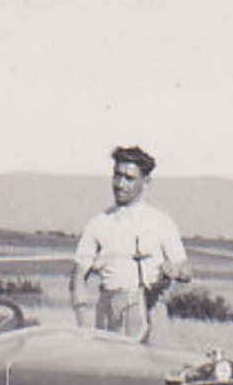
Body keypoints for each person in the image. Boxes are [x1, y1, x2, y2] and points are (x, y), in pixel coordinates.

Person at [70, 145, 191, 342]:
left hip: (153, 309)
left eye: (129, 178)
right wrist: (83, 328)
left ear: (146, 181)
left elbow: (185, 268)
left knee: (157, 369)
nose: (120, 184)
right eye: (117, 176)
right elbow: (77, 277)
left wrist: (174, 271)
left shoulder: (161, 222)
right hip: (111, 312)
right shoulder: (98, 223)